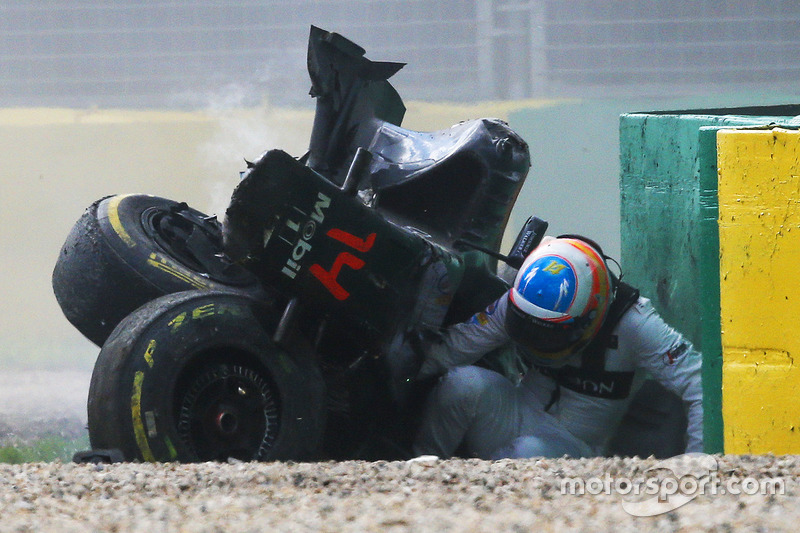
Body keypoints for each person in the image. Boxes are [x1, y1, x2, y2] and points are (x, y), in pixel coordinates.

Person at [412, 235, 703, 459]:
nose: (535, 340)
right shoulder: (523, 297)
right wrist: (395, 370)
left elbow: (698, 380)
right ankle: (417, 472)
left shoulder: (636, 323)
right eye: (525, 325)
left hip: (573, 447)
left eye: (549, 333)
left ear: (594, 312)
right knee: (462, 382)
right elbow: (455, 347)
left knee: (527, 454)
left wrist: (698, 463)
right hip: (513, 415)